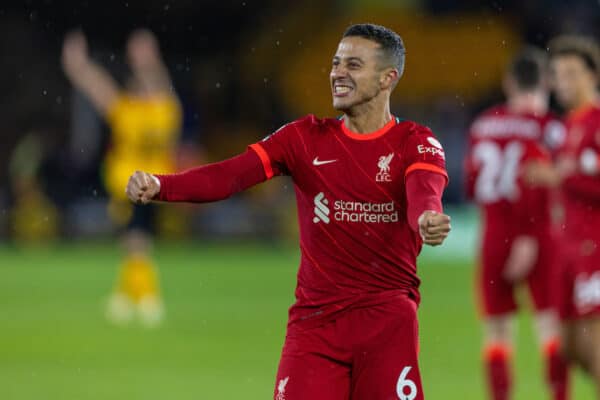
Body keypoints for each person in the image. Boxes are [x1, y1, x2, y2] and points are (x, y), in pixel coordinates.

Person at [126, 24, 450, 399]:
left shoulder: (416, 141)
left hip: (386, 323)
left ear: (386, 79)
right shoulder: (303, 138)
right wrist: (163, 186)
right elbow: (230, 175)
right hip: (316, 325)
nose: (338, 73)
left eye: (354, 65)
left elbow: (424, 191)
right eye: (335, 63)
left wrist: (426, 217)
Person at [464, 47, 569, 400]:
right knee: (551, 327)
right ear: (548, 82)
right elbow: (543, 179)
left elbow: (471, 181)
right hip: (539, 232)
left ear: (509, 82)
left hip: (493, 232)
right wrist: (527, 232)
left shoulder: (482, 124)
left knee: (496, 333)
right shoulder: (550, 129)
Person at [62, 29, 182, 326]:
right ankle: (125, 295)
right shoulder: (165, 112)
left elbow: (99, 88)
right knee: (134, 240)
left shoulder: (129, 111)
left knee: (136, 241)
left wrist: (78, 66)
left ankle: (149, 297)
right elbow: (162, 88)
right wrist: (149, 60)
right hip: (158, 185)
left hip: (130, 186)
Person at [526, 35, 600, 397]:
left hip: (595, 245)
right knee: (569, 347)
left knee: (595, 338)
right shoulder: (571, 125)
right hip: (566, 248)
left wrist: (559, 176)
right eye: (558, 75)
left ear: (593, 76)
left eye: (572, 74)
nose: (564, 83)